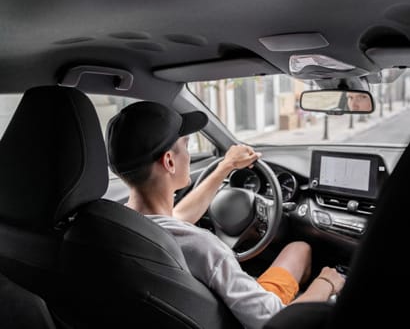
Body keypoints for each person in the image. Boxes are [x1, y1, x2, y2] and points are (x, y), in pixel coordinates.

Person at [106, 101, 345, 329]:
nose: (188, 155)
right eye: (187, 147)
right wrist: (326, 284)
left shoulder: (112, 224)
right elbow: (276, 322)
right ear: (169, 161)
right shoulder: (205, 249)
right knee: (302, 250)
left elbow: (176, 218)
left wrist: (225, 166)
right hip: (253, 319)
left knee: (299, 249)